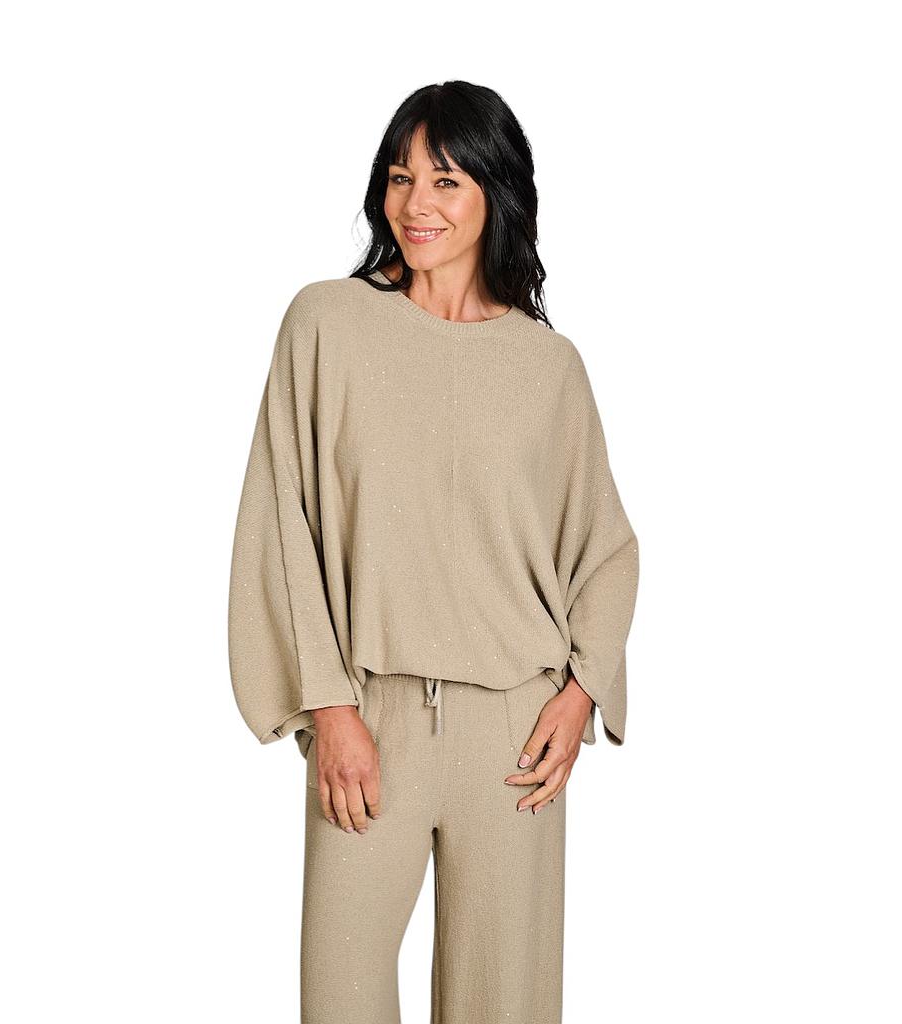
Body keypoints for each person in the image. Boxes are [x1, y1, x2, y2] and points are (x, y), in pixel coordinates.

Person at [227, 80, 640, 1024]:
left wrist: (580, 693)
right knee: (342, 998)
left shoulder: (549, 366)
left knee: (507, 1006)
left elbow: (606, 547)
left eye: (447, 181)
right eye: (400, 176)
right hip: (370, 720)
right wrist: (329, 704)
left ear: (498, 192)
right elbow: (282, 520)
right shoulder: (325, 324)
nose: (416, 204)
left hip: (516, 733)